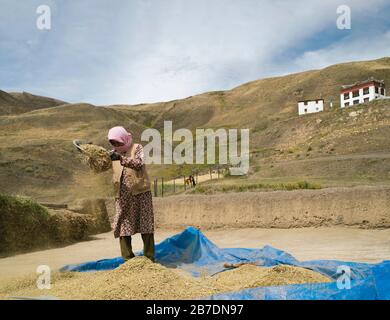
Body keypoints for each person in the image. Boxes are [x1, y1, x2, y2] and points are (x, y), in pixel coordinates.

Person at [108, 126, 155, 262]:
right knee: (123, 225)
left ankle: (149, 258)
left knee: (145, 224)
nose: (116, 146)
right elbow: (101, 165)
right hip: (122, 197)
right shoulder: (112, 154)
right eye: (113, 143)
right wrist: (95, 156)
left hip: (141, 194)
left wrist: (121, 159)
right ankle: (128, 260)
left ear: (125, 139)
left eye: (118, 142)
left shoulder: (137, 148)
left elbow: (139, 163)